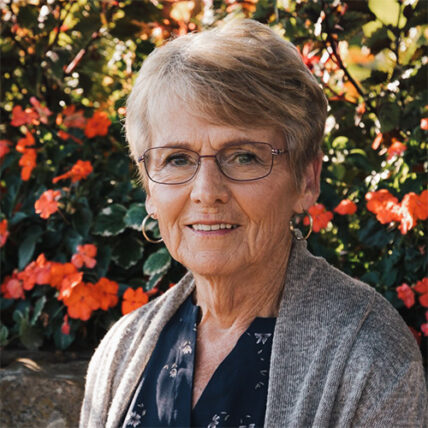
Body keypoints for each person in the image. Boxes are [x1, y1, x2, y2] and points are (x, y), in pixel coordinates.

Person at [80, 19, 427, 428]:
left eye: (244, 156)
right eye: (177, 159)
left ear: (306, 180)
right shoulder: (122, 351)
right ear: (150, 191)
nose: (206, 192)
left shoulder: (369, 355)